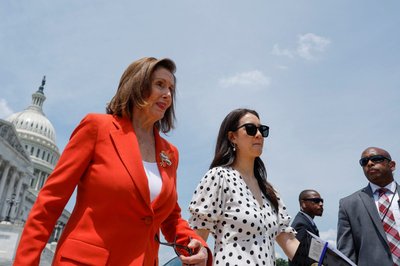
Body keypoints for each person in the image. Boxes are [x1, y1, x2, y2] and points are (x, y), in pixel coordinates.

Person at [14, 57, 211, 266]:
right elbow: (50, 202)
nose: (168, 95)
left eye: (171, 88)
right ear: (137, 85)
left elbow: (170, 219)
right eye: (160, 84)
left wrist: (196, 243)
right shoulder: (97, 128)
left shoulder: (170, 154)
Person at [188, 108, 299, 265]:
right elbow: (197, 239)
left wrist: (324, 260)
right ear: (232, 137)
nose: (259, 134)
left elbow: (289, 241)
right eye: (251, 129)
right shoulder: (219, 177)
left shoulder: (269, 191)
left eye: (262, 130)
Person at [337, 147, 399, 266]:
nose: (369, 163)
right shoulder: (348, 204)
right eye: (364, 162)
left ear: (392, 165)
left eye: (376, 159)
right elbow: (346, 254)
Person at [288, 189, 323, 266]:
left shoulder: (308, 223)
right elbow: (299, 259)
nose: (321, 204)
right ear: (303, 204)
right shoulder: (301, 225)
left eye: (321, 201)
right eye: (316, 201)